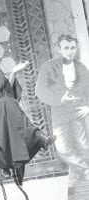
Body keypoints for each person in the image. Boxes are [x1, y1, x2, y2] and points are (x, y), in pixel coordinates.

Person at [0, 40, 56, 183]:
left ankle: (7, 162)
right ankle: (38, 137)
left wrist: (13, 73)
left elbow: (8, 93)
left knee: (8, 103)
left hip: (0, 111)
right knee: (6, 104)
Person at [36, 34, 89, 185]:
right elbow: (40, 91)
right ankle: (84, 169)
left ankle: (83, 180)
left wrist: (88, 106)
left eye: (73, 47)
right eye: (66, 48)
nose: (70, 51)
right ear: (59, 49)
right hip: (59, 112)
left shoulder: (81, 67)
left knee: (83, 146)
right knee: (62, 149)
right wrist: (59, 99)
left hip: (78, 111)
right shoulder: (49, 67)